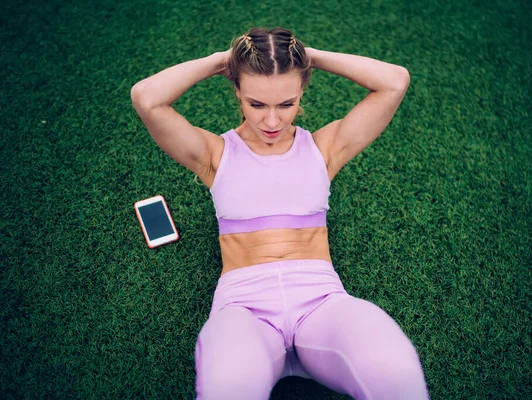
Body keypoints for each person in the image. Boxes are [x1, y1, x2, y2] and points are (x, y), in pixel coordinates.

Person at [131, 27, 428, 400]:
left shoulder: (324, 149)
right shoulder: (215, 155)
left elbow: (394, 81)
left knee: (394, 369)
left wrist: (311, 57)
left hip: (320, 302)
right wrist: (222, 62)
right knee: (229, 384)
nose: (272, 122)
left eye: (286, 104)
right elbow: (146, 98)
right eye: (257, 104)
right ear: (237, 91)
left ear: (301, 93)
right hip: (244, 307)